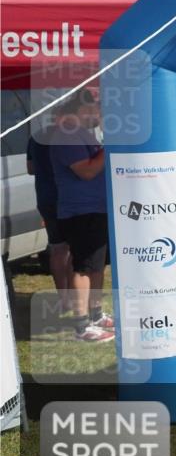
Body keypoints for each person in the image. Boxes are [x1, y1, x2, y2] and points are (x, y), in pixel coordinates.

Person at [49, 90, 114, 342]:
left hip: (95, 209)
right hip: (81, 211)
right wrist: (110, 147)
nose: (100, 114)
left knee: (96, 266)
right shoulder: (66, 134)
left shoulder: (82, 133)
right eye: (98, 108)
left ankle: (95, 315)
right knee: (84, 267)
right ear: (84, 109)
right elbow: (86, 171)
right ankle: (82, 325)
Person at [26, 123, 72, 301]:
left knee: (57, 248)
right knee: (74, 249)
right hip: (70, 199)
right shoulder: (71, 136)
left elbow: (30, 169)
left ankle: (64, 297)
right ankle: (76, 297)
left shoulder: (36, 136)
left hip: (46, 199)